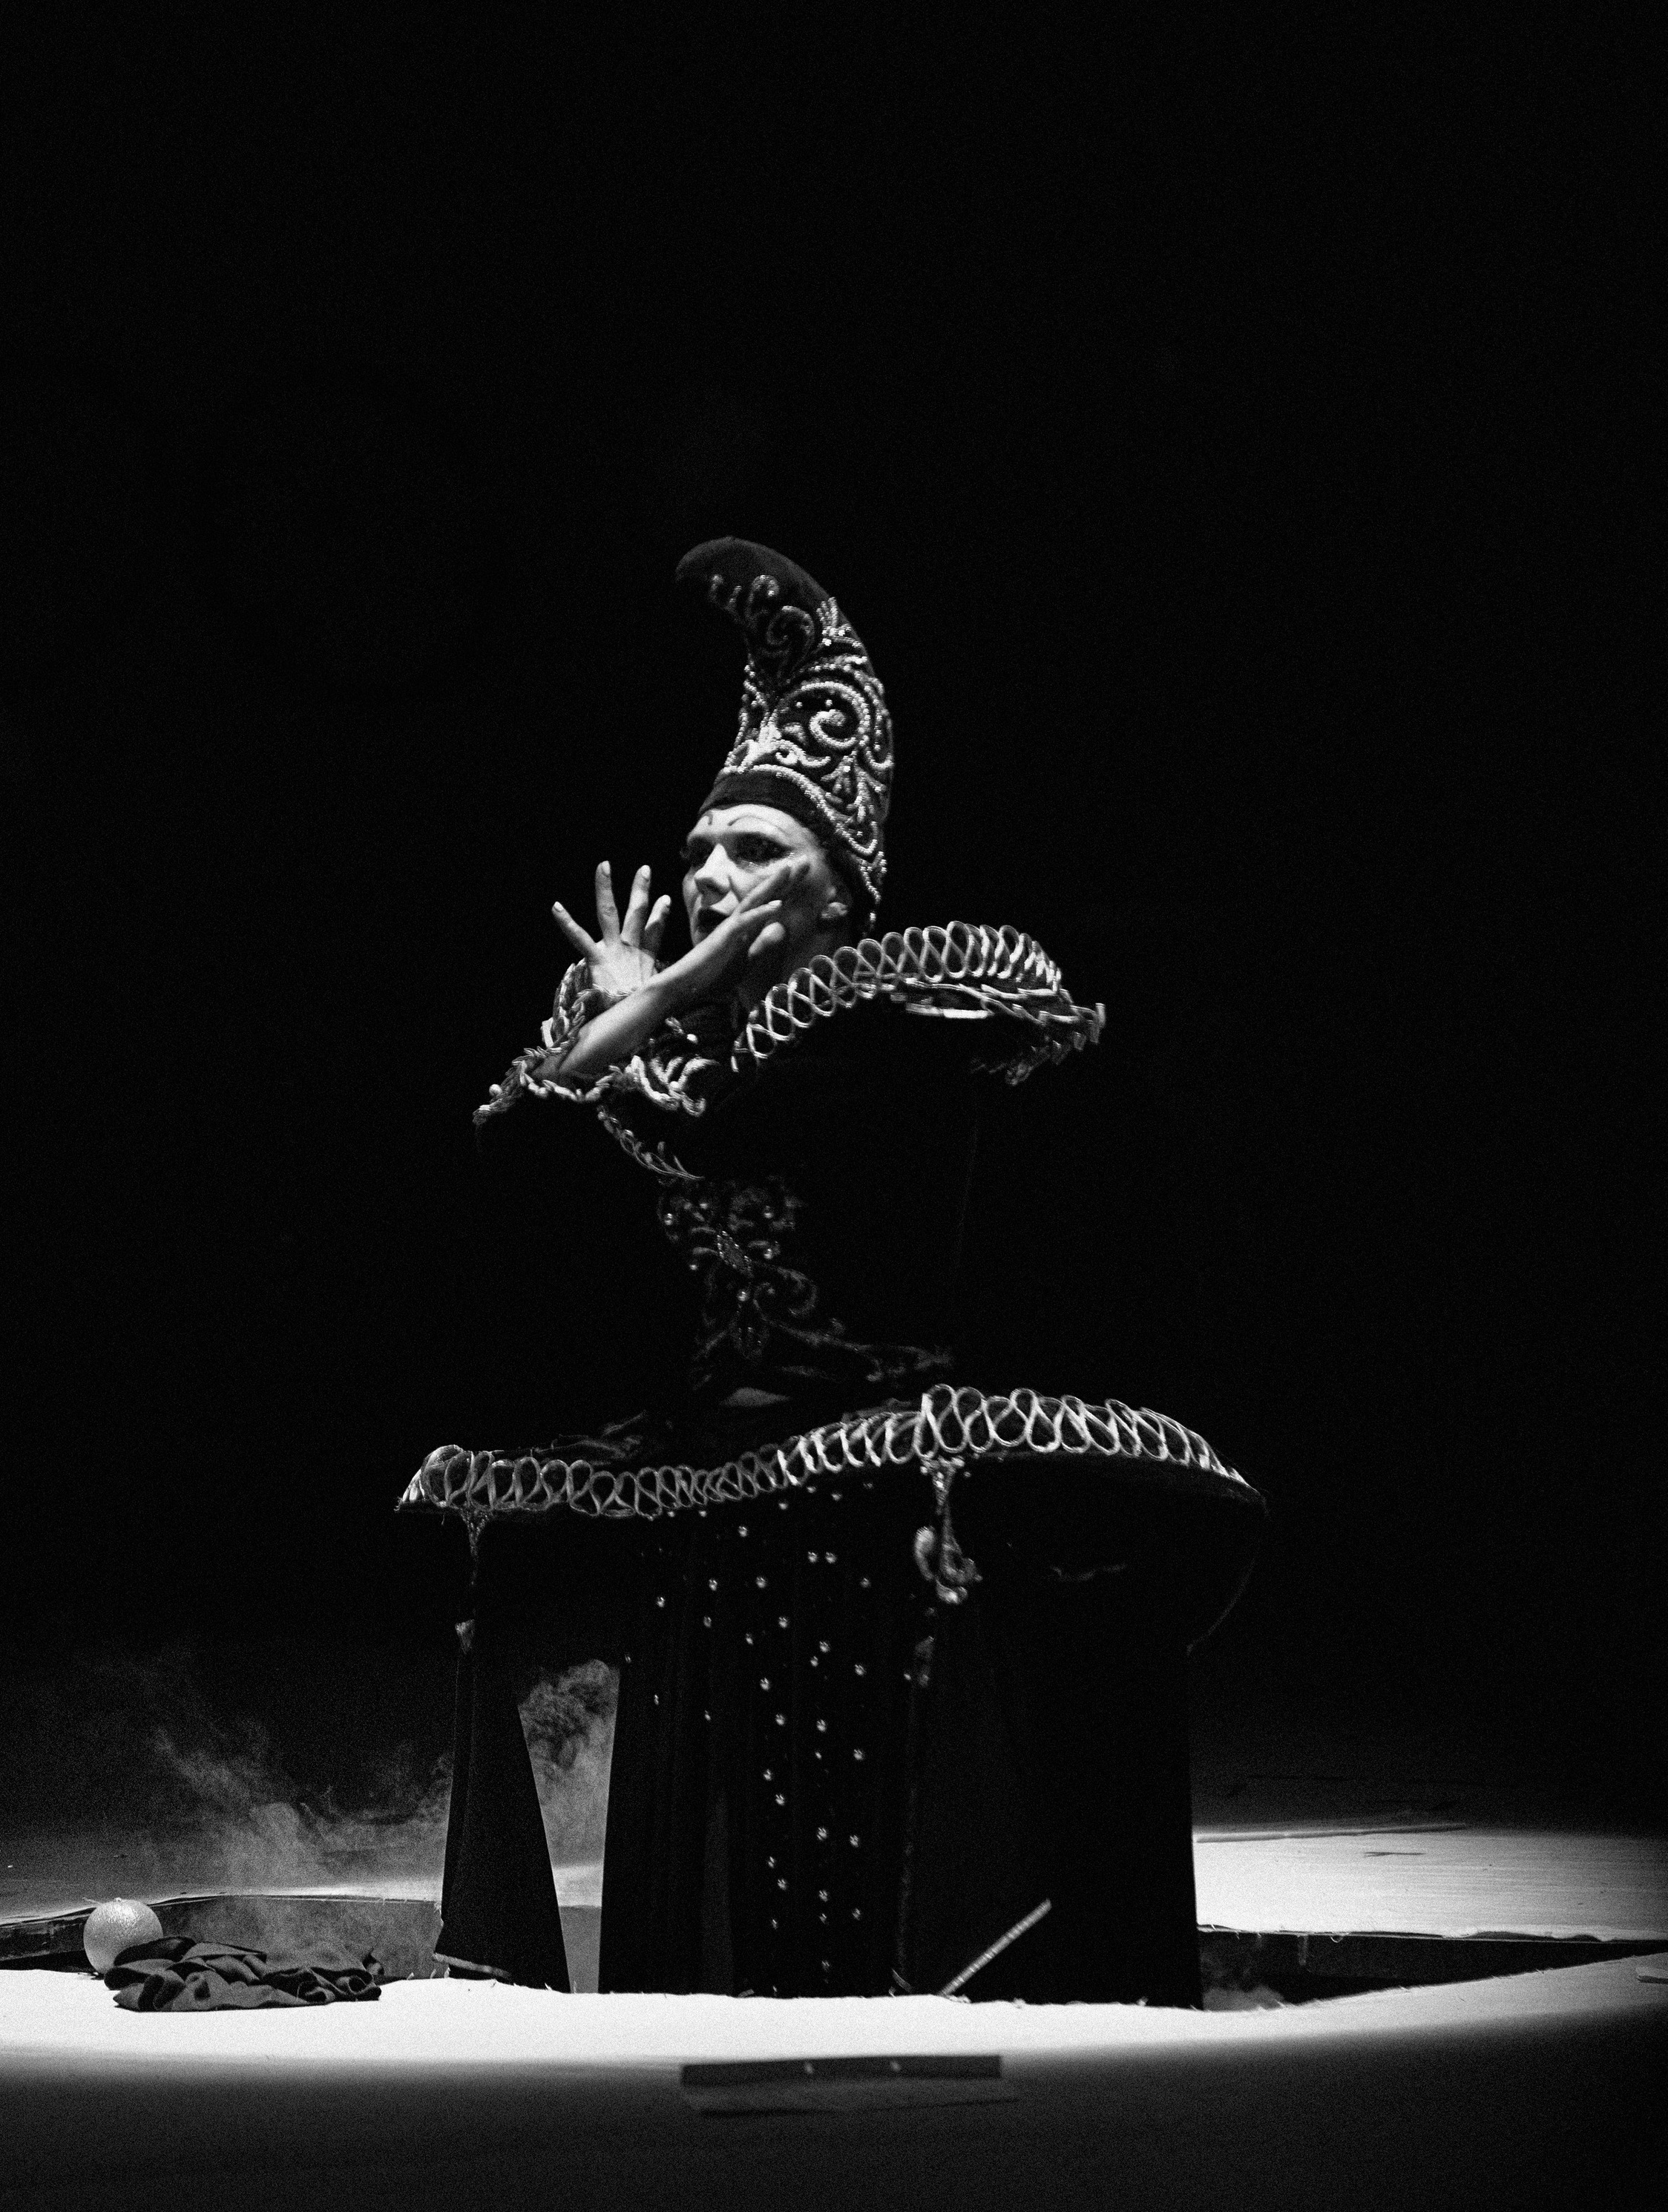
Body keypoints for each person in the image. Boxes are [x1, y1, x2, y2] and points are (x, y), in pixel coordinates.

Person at [404, 538, 1264, 2003]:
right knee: (523, 1546)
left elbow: (736, 1130)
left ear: (841, 879)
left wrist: (652, 1004)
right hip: (718, 1451)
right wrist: (636, 1023)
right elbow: (509, 1163)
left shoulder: (896, 1005)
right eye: (696, 857)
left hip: (861, 1438)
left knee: (834, 1552)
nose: (715, 877)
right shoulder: (679, 1046)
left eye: (757, 850)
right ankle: (647, 1966)